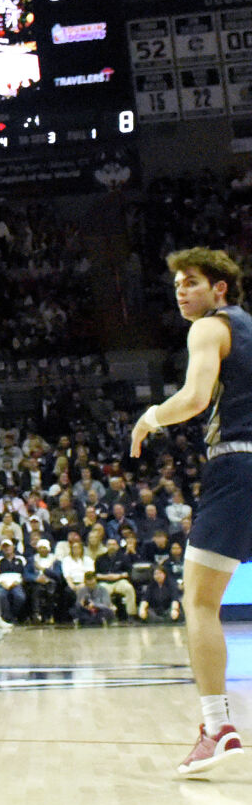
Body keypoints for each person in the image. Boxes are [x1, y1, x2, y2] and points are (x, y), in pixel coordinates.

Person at [130, 247, 250, 777]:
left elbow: (196, 397)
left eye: (192, 282)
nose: (181, 291)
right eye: (177, 283)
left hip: (238, 469)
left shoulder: (209, 328)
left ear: (219, 288)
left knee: (199, 603)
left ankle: (217, 727)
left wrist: (150, 418)